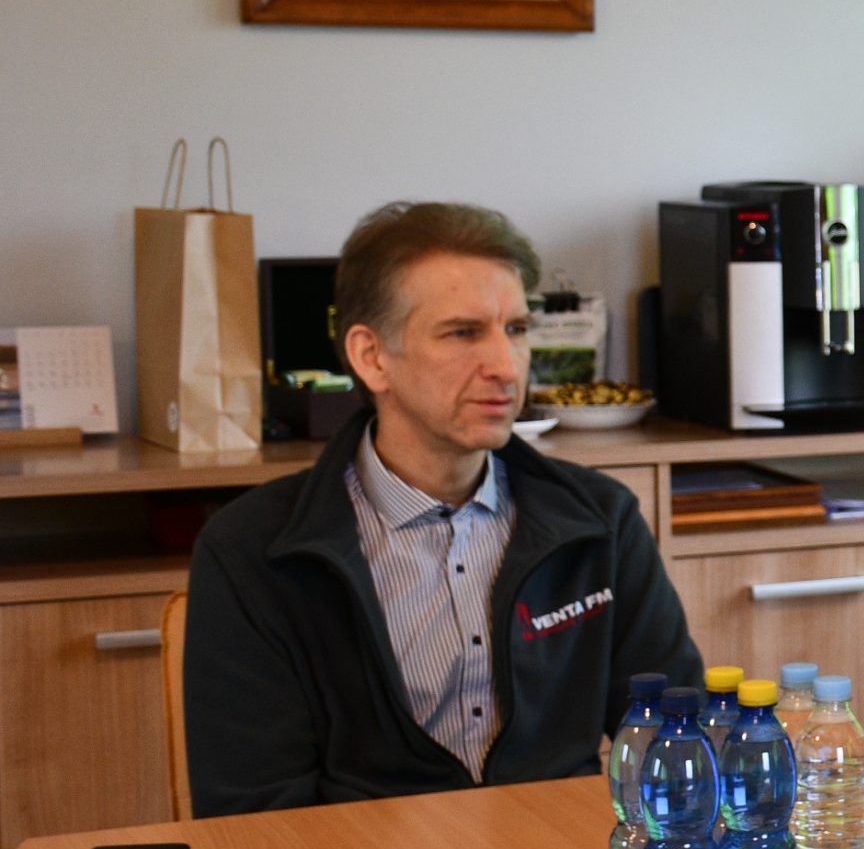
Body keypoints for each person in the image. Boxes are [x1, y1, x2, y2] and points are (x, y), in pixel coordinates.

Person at [185, 201, 702, 817]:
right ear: (372, 357)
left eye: (516, 329)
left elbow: (679, 746)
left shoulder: (600, 521)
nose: (505, 367)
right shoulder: (250, 552)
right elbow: (256, 818)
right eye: (463, 333)